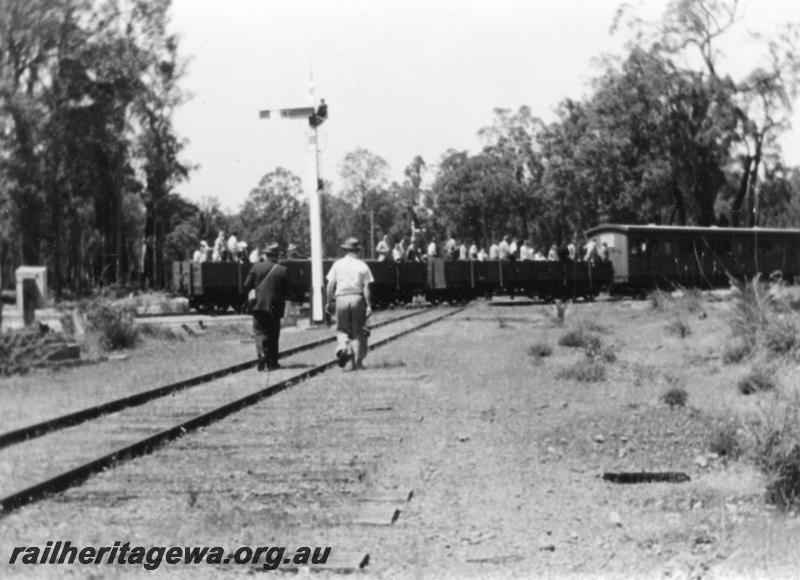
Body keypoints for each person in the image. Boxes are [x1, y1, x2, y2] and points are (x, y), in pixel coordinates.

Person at [326, 237, 374, 370]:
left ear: (345, 250)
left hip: (341, 298)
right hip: (357, 298)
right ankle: (357, 364)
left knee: (342, 329)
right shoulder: (362, 265)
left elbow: (330, 285)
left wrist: (328, 301)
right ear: (357, 250)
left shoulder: (337, 264)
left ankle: (343, 347)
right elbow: (366, 287)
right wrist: (369, 304)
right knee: (358, 332)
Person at [243, 243, 289, 371]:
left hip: (258, 305)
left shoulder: (256, 267)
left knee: (259, 331)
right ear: (276, 256)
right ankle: (272, 362)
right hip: (275, 307)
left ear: (265, 255)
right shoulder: (282, 270)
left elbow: (247, 284)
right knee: (273, 334)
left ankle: (262, 354)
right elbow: (286, 290)